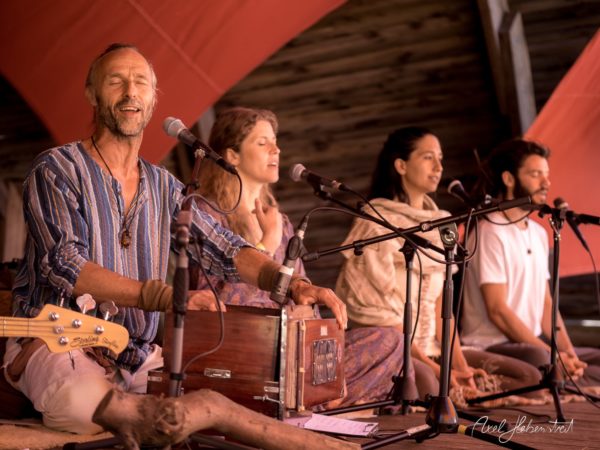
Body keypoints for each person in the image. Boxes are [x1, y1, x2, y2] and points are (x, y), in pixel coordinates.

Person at [2, 43, 346, 435]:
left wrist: (291, 283)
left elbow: (224, 247)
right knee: (87, 410)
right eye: (116, 81)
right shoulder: (56, 168)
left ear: (152, 99)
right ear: (92, 94)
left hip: (135, 353)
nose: (130, 92)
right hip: (58, 341)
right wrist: (169, 298)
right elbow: (66, 264)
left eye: (141, 82)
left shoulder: (163, 185)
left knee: (221, 415)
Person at [191, 106, 406, 407]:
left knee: (391, 342)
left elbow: (301, 289)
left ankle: (317, 397)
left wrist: (324, 349)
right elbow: (214, 303)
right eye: (262, 142)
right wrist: (267, 242)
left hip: (294, 349)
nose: (276, 149)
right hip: (246, 351)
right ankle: (314, 402)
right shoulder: (206, 215)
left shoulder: (281, 221)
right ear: (232, 155)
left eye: (275, 141)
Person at [335, 127, 542, 401]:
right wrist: (440, 371)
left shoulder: (442, 223)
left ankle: (461, 394)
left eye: (440, 158)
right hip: (398, 352)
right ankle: (452, 397)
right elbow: (380, 318)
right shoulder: (375, 224)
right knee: (429, 383)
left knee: (529, 377)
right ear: (401, 165)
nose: (438, 167)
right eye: (428, 157)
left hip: (434, 350)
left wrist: (460, 367)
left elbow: (441, 309)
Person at [461, 138, 600, 387]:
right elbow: (497, 311)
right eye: (535, 174)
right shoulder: (490, 231)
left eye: (546, 174)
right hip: (492, 344)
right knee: (541, 360)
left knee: (592, 360)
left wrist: (568, 353)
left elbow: (545, 303)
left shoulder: (538, 233)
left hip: (530, 343)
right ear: (509, 178)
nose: (546, 183)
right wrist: (552, 355)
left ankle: (569, 378)